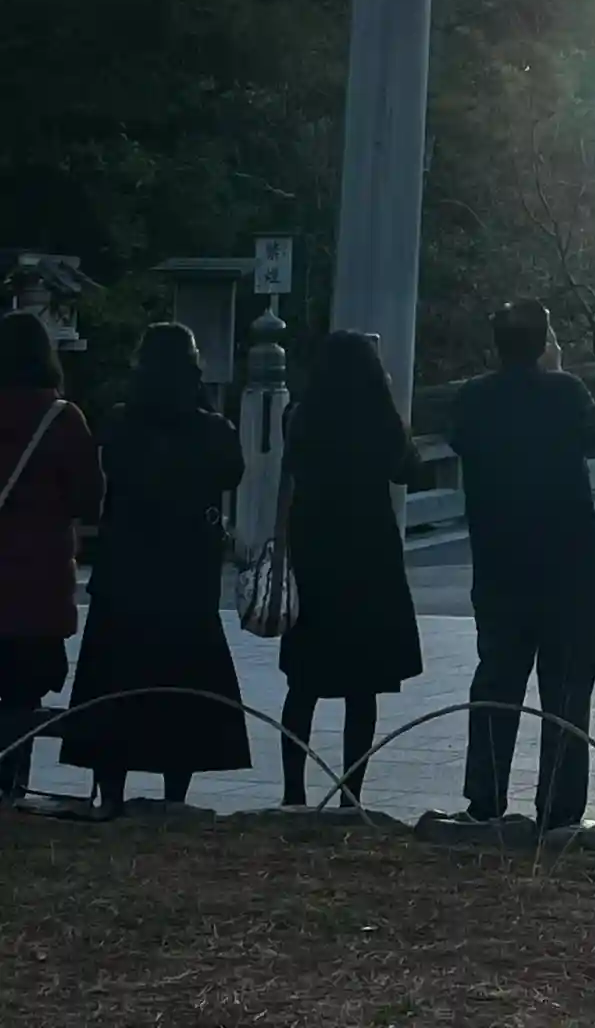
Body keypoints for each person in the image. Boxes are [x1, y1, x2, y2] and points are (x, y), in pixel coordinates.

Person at [60, 324, 251, 810]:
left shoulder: (119, 423)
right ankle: (174, 795)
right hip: (187, 575)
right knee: (182, 686)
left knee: (114, 683)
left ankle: (112, 793)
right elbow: (232, 473)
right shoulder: (213, 431)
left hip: (125, 570)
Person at [449, 299, 595, 829]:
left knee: (497, 680)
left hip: (499, 563)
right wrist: (557, 372)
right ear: (544, 344)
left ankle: (485, 798)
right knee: (567, 688)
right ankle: (559, 808)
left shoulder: (474, 397)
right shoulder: (565, 392)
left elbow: (456, 439)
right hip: (569, 564)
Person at [277, 331, 423, 809]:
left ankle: (293, 791)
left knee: (303, 683)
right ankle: (350, 795)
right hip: (368, 554)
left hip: (314, 552)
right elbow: (408, 469)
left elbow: (292, 467)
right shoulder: (381, 420)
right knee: (363, 687)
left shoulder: (301, 417)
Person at [0, 312, 103, 802]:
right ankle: (11, 785)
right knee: (23, 696)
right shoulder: (61, 419)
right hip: (36, 584)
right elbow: (88, 498)